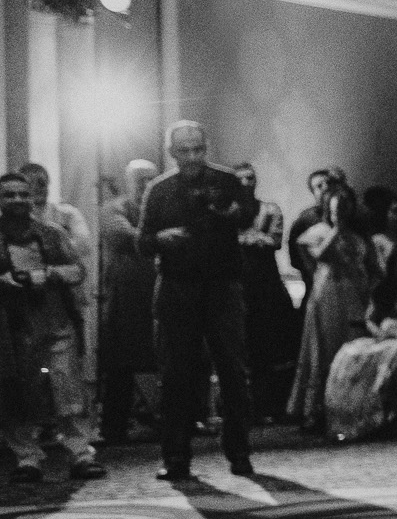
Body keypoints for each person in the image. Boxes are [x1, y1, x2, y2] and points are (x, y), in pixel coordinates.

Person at [137, 122, 260, 480]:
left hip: (223, 285)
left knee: (234, 373)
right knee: (175, 376)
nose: (192, 157)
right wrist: (163, 237)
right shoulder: (158, 189)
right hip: (177, 287)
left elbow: (250, 215)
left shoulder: (226, 179)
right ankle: (176, 458)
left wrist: (231, 214)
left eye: (198, 149)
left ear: (207, 148)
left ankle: (239, 452)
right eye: (184, 150)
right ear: (172, 153)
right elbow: (142, 242)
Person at [0, 172, 100, 482]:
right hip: (13, 329)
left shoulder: (52, 233)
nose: (17, 200)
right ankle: (27, 458)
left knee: (67, 388)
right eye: (9, 195)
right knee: (17, 393)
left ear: (31, 198)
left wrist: (49, 274)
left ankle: (81, 453)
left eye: (22, 194)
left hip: (56, 323)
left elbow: (78, 271)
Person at [325, 241, 397, 441]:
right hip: (384, 337)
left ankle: (391, 419)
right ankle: (356, 420)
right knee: (350, 355)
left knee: (394, 357)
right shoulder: (385, 287)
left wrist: (394, 328)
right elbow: (369, 319)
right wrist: (380, 333)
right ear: (395, 261)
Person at [287, 186, 373, 437]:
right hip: (327, 294)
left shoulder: (360, 237)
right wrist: (338, 229)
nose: (341, 213)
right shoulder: (319, 232)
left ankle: (352, 410)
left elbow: (373, 266)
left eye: (345, 209)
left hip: (354, 295)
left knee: (352, 350)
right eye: (336, 209)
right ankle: (316, 411)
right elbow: (320, 255)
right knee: (323, 351)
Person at [233, 163, 300, 423]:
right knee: (240, 350)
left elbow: (273, 241)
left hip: (266, 287)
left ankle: (268, 406)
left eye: (251, 178)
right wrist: (253, 238)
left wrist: (243, 238)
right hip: (237, 287)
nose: (247, 183)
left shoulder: (269, 209)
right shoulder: (227, 212)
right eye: (241, 179)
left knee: (269, 348)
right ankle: (242, 408)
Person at [98, 159, 158, 445]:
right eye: (141, 179)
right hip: (125, 297)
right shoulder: (113, 209)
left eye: (151, 179)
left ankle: (173, 420)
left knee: (168, 360)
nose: (146, 184)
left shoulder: (161, 208)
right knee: (120, 365)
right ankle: (114, 426)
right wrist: (163, 238)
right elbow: (126, 235)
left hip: (158, 294)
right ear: (128, 181)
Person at [286, 169, 333, 286]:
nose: (325, 187)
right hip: (315, 283)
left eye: (329, 183)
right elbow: (295, 256)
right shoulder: (305, 219)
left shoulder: (349, 216)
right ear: (313, 192)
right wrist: (311, 272)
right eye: (319, 186)